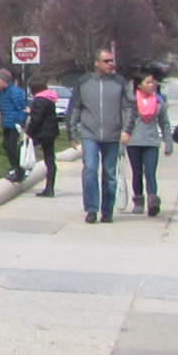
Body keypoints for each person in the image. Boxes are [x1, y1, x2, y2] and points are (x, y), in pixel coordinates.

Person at [68, 47, 132, 224]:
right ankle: (91, 209)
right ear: (96, 63)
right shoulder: (84, 82)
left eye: (112, 61)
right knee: (90, 169)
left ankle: (107, 210)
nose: (111, 64)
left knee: (110, 174)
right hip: (90, 134)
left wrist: (127, 130)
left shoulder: (120, 82)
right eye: (106, 61)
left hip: (113, 135)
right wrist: (72, 133)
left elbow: (129, 107)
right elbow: (75, 107)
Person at [124, 69, 170, 215]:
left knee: (150, 172)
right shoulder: (130, 102)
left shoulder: (159, 101)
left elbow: (164, 123)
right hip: (134, 142)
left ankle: (152, 201)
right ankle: (138, 201)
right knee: (137, 172)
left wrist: (168, 142)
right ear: (139, 85)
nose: (152, 85)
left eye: (153, 82)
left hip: (152, 141)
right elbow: (124, 122)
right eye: (148, 82)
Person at [0, 68, 30, 182]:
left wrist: (19, 121)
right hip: (6, 123)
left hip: (14, 124)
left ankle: (19, 171)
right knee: (6, 146)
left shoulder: (15, 92)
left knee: (12, 147)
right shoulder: (2, 92)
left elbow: (23, 108)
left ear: (5, 80)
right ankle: (14, 167)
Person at [25, 83, 61, 196]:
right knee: (50, 159)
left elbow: (37, 117)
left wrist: (29, 132)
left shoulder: (40, 99)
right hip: (51, 132)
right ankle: (50, 187)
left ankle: (18, 172)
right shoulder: (49, 98)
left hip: (41, 132)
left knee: (23, 150)